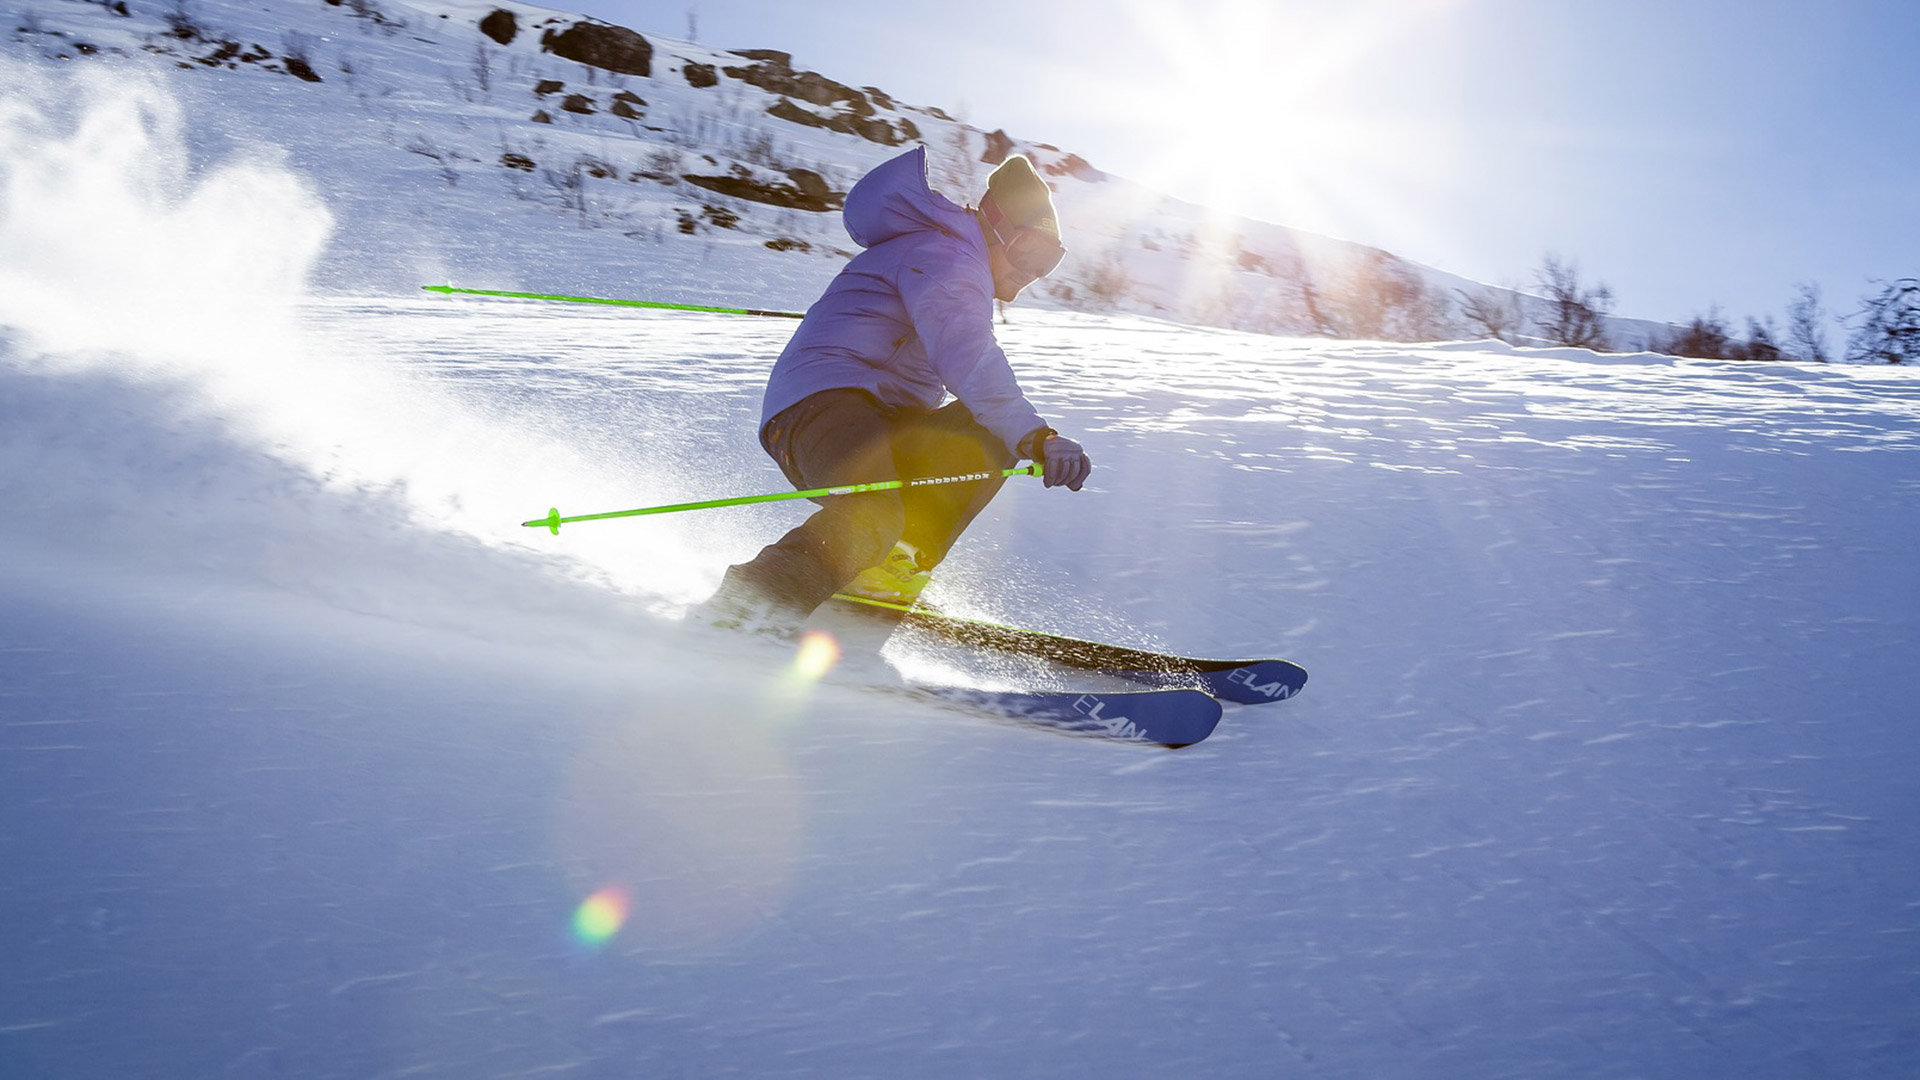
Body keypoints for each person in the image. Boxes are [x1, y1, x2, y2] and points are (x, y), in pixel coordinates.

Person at [697, 144, 1092, 631]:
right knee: (875, 510)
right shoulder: (947, 254)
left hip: (879, 420)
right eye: (1030, 252)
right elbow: (966, 352)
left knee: (981, 431)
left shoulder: (951, 258)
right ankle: (747, 610)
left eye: (1048, 263)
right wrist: (1037, 434)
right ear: (995, 227)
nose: (1031, 274)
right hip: (819, 410)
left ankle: (880, 581)